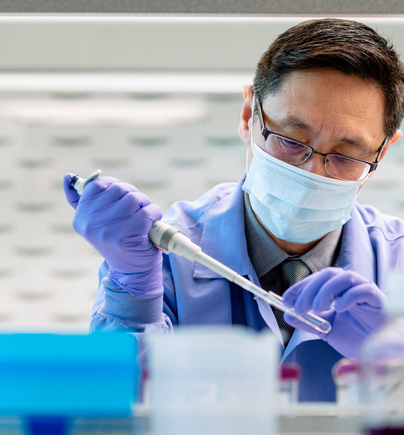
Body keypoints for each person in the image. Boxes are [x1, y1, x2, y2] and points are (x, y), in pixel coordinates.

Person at [63, 18, 404, 401]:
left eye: (345, 155)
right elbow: (116, 407)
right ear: (248, 116)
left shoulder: (399, 260)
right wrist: (132, 292)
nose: (312, 172)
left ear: (382, 152)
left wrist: (395, 361)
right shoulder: (160, 256)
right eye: (291, 140)